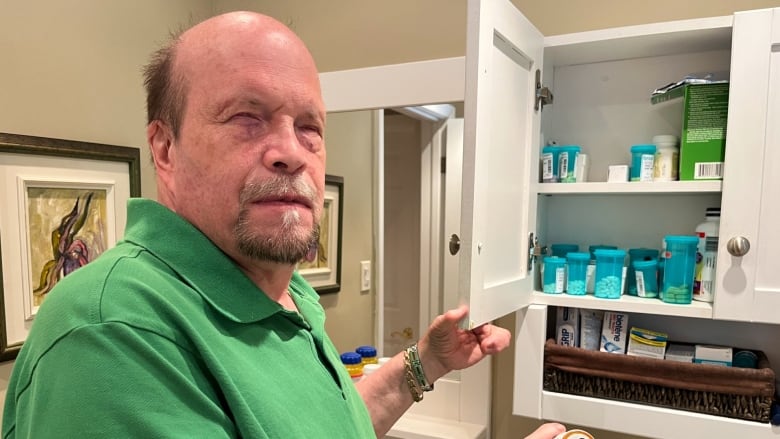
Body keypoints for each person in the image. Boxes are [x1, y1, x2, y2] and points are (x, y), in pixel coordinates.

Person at [2, 11, 566, 439]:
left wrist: (426, 363)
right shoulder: (113, 335)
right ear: (165, 148)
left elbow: (329, 426)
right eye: (247, 118)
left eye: (309, 126)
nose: (291, 152)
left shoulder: (280, 289)